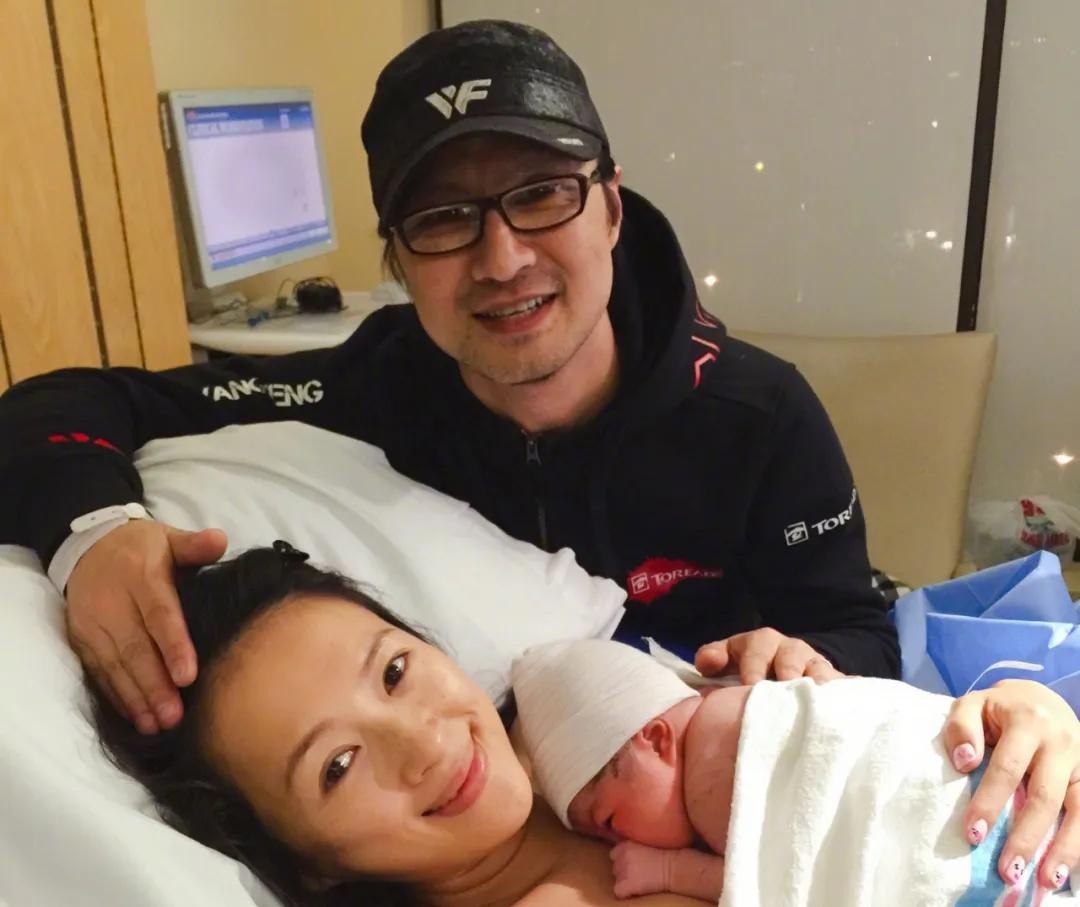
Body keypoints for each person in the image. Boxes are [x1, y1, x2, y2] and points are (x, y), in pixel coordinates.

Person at [0, 19, 1076, 885]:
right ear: (398, 260)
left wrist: (800, 659)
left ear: (610, 206)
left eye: (541, 193)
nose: (502, 257)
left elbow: (856, 624)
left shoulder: (759, 414)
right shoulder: (368, 389)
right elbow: (71, 401)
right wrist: (95, 530)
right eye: (444, 219)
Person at [90, 543, 704, 907]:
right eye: (337, 766)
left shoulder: (575, 705)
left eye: (393, 672)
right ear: (309, 866)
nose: (423, 744)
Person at [512, 638, 1078, 904]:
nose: (616, 842)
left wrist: (668, 870)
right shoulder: (753, 697)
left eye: (609, 821)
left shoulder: (716, 759)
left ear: (656, 740)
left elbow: (765, 877)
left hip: (962, 826)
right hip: (1007, 803)